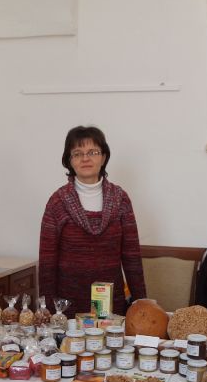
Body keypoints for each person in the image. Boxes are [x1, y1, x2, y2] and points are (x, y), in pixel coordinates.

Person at [38, 125, 147, 316]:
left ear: (103, 157)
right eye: (77, 153)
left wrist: (141, 303)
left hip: (112, 307)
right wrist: (47, 309)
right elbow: (48, 261)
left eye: (93, 152)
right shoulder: (57, 202)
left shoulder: (120, 199)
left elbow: (132, 257)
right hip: (67, 307)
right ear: (69, 160)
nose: (85, 158)